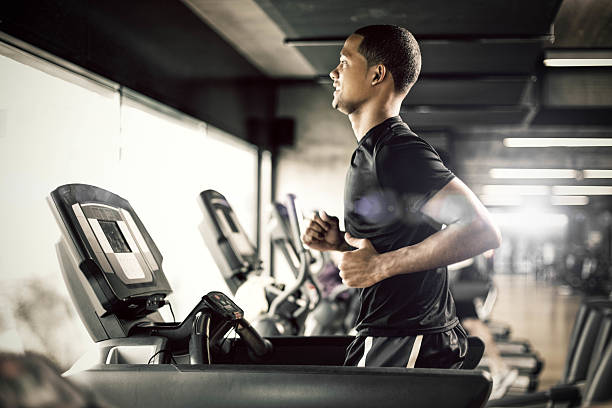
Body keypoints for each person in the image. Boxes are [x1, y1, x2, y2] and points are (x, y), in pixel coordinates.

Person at [301, 25, 501, 369]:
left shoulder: (398, 151)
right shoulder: (373, 152)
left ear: (377, 74)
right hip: (395, 332)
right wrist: (341, 246)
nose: (334, 73)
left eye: (345, 62)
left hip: (406, 337)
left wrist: (380, 265)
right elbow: (391, 247)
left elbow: (481, 230)